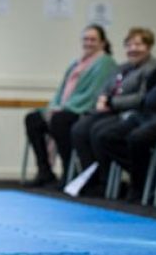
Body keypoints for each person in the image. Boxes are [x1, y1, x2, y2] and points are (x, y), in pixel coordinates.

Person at [93, 28, 156, 201]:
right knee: (107, 136)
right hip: (149, 113)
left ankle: (138, 187)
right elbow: (154, 80)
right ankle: (149, 175)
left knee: (137, 138)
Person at [70, 27, 156, 195]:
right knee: (79, 129)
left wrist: (112, 102)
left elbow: (143, 97)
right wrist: (102, 99)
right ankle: (92, 179)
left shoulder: (153, 68)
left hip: (131, 113)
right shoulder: (122, 67)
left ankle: (108, 182)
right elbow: (105, 88)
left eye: (138, 44)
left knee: (100, 132)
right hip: (110, 110)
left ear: (148, 46)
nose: (133, 48)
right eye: (129, 45)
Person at [24, 25, 118, 187]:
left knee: (60, 120)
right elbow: (62, 90)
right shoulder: (76, 62)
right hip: (65, 108)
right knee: (33, 119)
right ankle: (44, 170)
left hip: (83, 111)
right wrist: (54, 106)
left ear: (102, 42)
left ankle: (69, 172)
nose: (88, 43)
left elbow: (94, 93)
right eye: (86, 39)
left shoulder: (105, 62)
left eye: (93, 39)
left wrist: (64, 108)